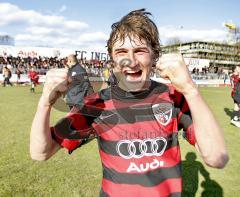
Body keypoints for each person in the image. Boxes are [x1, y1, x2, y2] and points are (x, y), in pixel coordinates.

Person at [30, 9, 228, 196]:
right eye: (121, 52)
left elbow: (216, 157)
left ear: (154, 55)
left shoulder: (174, 97)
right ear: (112, 60)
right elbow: (41, 152)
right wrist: (45, 103)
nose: (131, 61)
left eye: (140, 50)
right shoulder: (95, 104)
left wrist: (191, 90)